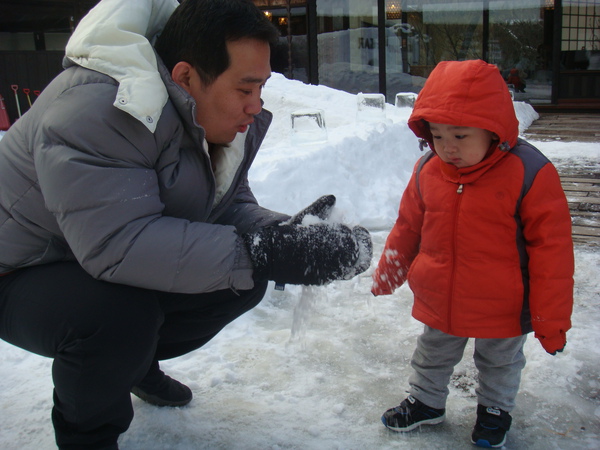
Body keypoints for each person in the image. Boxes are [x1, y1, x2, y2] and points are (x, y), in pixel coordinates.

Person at [0, 0, 372, 448]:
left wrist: (280, 234)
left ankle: (132, 364)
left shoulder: (214, 115)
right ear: (185, 77)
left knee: (238, 280)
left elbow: (227, 204)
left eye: (262, 88)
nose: (256, 106)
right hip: (20, 269)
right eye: (245, 88)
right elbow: (120, 244)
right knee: (116, 316)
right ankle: (88, 435)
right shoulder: (97, 109)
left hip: (88, 257)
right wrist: (261, 251)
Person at [371, 59, 573, 448]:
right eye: (438, 135)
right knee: (431, 351)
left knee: (499, 361)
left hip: (503, 302)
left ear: (494, 128)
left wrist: (551, 319)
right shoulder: (428, 170)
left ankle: (495, 410)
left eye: (461, 136)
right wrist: (389, 271)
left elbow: (553, 253)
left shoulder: (529, 173)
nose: (448, 148)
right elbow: (408, 227)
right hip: (441, 295)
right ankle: (426, 401)